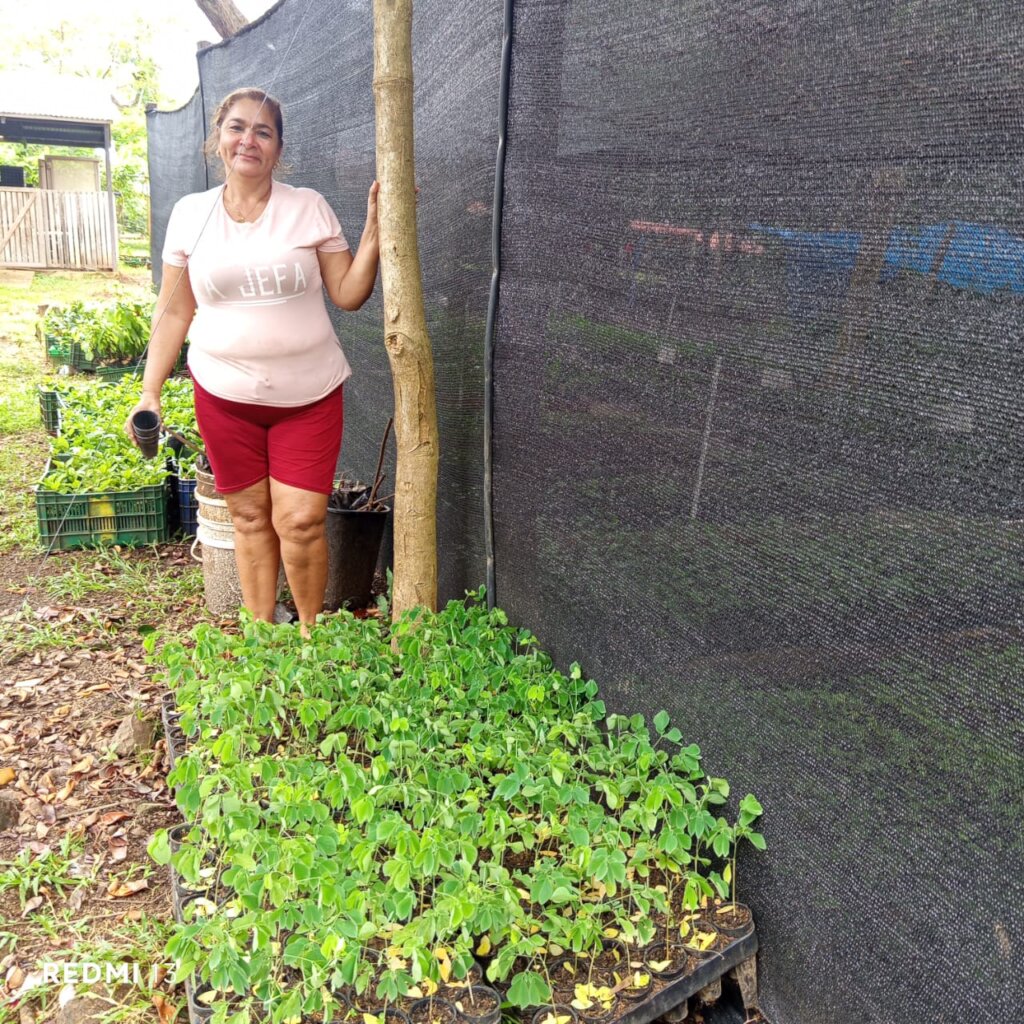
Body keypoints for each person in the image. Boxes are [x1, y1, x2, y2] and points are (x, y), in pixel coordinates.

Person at [126, 87, 380, 626]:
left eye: (263, 131)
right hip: (224, 395)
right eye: (237, 127)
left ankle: (311, 640)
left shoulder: (307, 207)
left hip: (308, 396)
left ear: (278, 147)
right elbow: (174, 312)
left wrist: (377, 235)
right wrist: (149, 392)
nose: (249, 140)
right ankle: (263, 638)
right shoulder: (190, 215)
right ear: (218, 139)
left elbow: (350, 294)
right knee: (247, 517)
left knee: (303, 520)